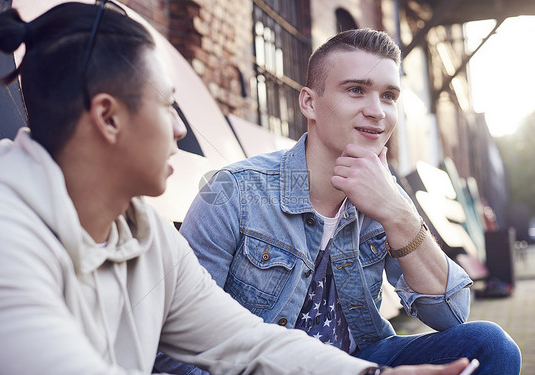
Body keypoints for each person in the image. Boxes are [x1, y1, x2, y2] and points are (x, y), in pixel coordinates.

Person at [0, 3, 478, 374]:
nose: (179, 128)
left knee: (488, 347)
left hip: (345, 355)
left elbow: (243, 339)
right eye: (167, 105)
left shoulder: (146, 233)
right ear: (108, 117)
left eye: (388, 95)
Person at [161, 29, 521, 374]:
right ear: (309, 102)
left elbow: (452, 315)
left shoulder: (386, 194)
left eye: (389, 96)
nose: (377, 110)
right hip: (262, 366)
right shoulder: (236, 193)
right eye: (356, 90)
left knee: (490, 345)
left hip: (360, 362)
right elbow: (177, 345)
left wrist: (398, 213)